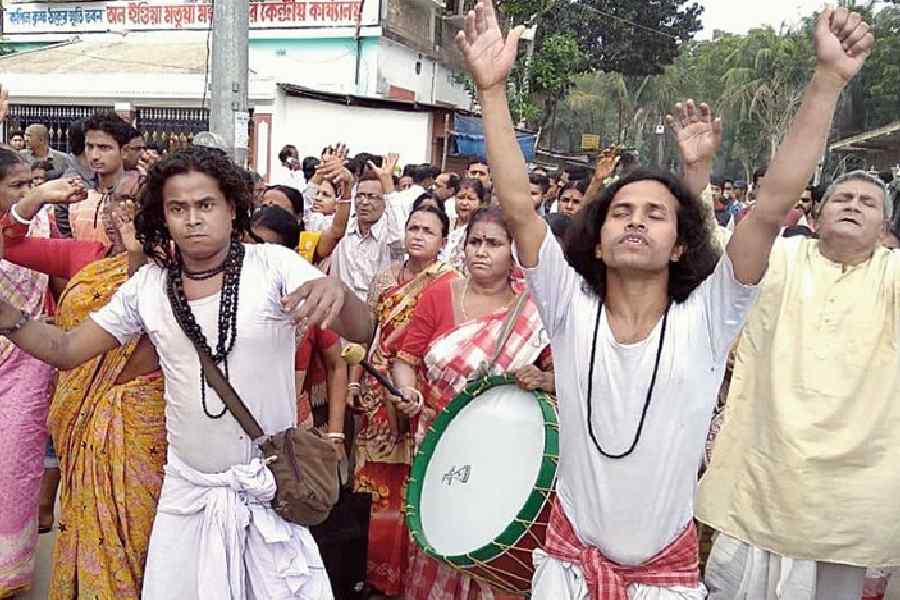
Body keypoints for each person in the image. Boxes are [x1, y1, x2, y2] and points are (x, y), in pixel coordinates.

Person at [455, 0, 843, 596]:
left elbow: (769, 209)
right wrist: (494, 90)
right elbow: (516, 205)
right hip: (567, 575)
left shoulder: (710, 317)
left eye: (656, 214)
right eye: (622, 212)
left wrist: (828, 80)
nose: (636, 222)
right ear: (600, 243)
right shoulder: (568, 307)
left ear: (681, 246)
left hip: (664, 581)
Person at [0, 145, 374, 599]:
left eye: (205, 205)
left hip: (267, 492)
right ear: (163, 216)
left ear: (231, 207)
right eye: (178, 208)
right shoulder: (150, 287)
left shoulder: (273, 265)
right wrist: (9, 317)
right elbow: (64, 348)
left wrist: (340, 293)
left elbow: (362, 327)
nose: (192, 219)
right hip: (186, 496)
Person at [697, 10, 886, 593]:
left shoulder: (893, 278)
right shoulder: (781, 259)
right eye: (841, 196)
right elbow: (757, 212)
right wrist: (826, 81)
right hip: (759, 487)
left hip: (847, 509)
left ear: (885, 229)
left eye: (868, 202)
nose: (852, 204)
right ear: (816, 212)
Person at [2, 172, 162, 600]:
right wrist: (36, 196)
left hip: (139, 426)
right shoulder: (86, 255)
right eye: (115, 200)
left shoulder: (184, 271)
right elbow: (9, 243)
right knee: (85, 519)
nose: (121, 212)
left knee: (134, 534)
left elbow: (151, 315)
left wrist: (138, 257)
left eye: (135, 203)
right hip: (80, 416)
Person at [390, 206, 551, 600]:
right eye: (474, 242)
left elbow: (560, 378)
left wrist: (543, 380)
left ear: (513, 251)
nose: (481, 251)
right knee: (442, 532)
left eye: (493, 244)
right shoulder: (439, 294)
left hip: (503, 454)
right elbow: (404, 359)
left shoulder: (534, 310)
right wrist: (407, 391)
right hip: (441, 444)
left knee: (489, 536)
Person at [354, 204, 454, 598]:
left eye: (428, 231)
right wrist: (358, 381)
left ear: (443, 241)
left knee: (414, 479)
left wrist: (411, 388)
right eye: (413, 228)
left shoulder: (449, 283)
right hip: (378, 388)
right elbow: (371, 333)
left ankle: (411, 572)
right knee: (378, 479)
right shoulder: (383, 281)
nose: (418, 235)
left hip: (420, 392)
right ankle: (375, 573)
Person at [0, 148, 86, 598]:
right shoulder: (24, 218)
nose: (25, 192)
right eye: (16, 186)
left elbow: (54, 275)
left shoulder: (38, 223)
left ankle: (8, 571)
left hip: (27, 357)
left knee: (15, 463)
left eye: (27, 184)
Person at [66, 112, 131, 244]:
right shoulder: (78, 195)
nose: (95, 155)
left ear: (124, 151)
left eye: (104, 148)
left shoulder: (135, 197)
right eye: (90, 147)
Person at [439, 177, 485, 270]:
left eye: (470, 199)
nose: (464, 203)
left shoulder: (481, 229)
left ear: (480, 202)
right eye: (460, 197)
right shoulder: (445, 224)